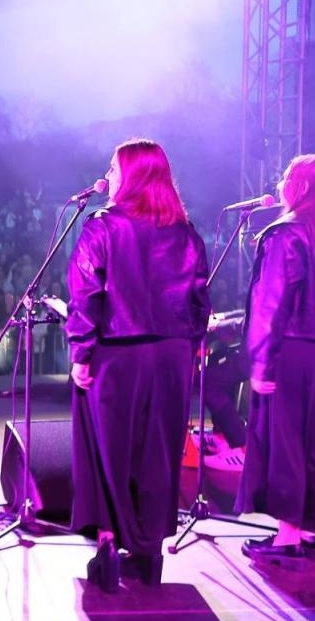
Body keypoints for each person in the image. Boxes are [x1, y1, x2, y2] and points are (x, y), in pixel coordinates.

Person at [67, 139, 210, 591]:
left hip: (117, 353)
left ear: (132, 175)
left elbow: (86, 293)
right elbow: (200, 297)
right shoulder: (185, 232)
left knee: (108, 450)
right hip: (171, 355)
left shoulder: (103, 226)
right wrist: (192, 344)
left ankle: (108, 543)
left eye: (113, 166)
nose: (107, 174)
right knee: (157, 452)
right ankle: (147, 554)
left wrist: (80, 351)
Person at [237, 154, 315, 564]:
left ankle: (286, 537)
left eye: (287, 176)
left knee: (286, 442)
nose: (280, 183)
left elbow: (270, 305)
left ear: (301, 186)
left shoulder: (286, 235)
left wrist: (259, 363)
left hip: (292, 353)